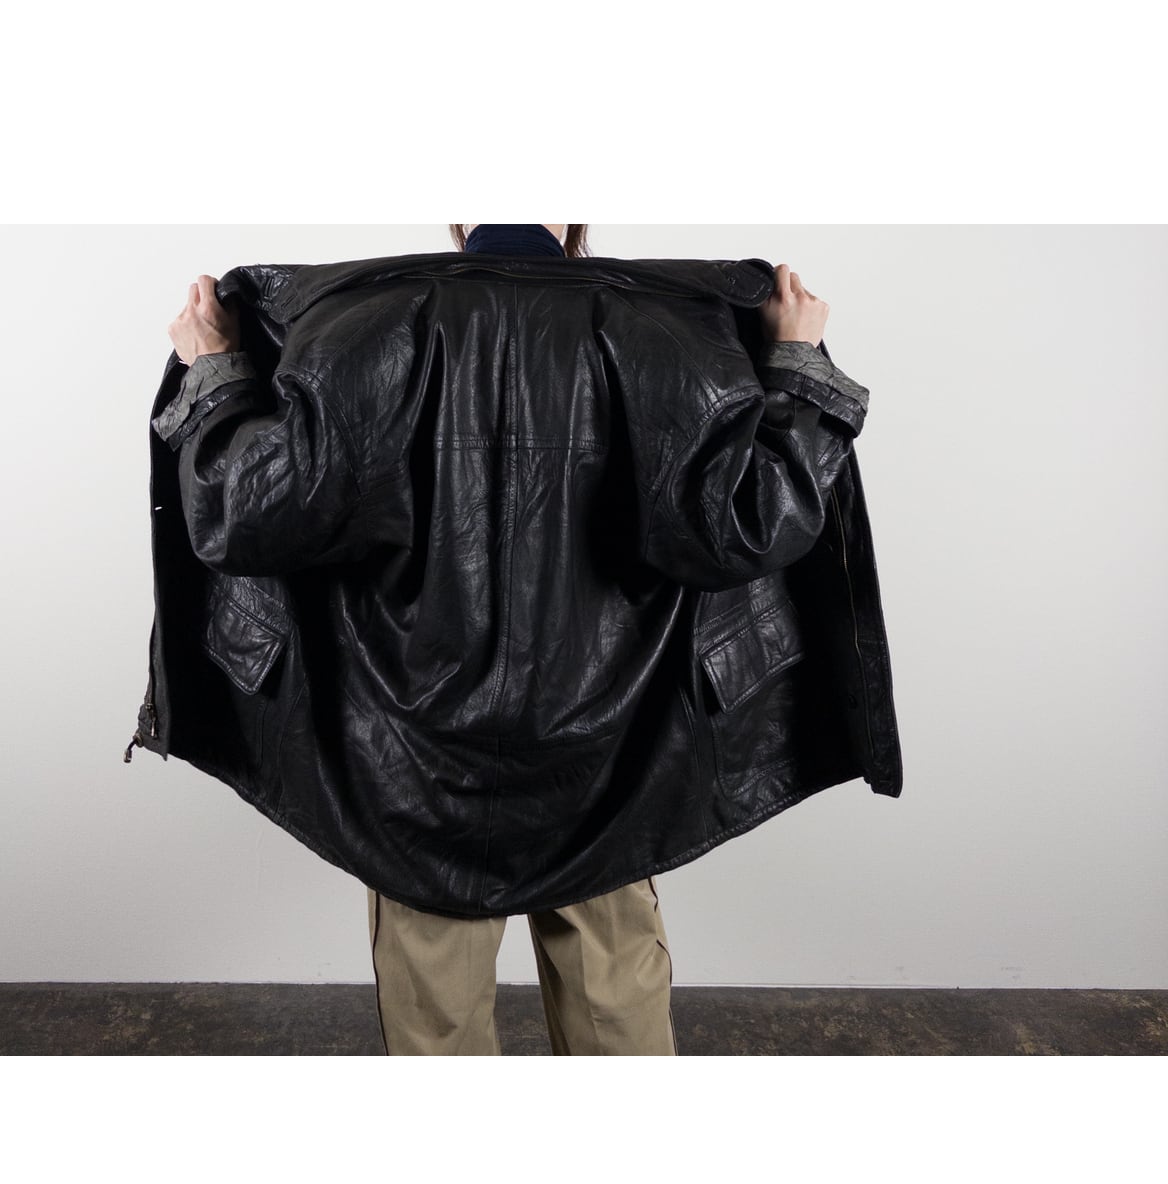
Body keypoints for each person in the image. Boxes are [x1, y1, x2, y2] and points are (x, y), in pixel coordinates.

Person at [165, 224, 843, 1056]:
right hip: (608, 763)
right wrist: (794, 364)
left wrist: (215, 369)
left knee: (436, 1033)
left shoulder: (357, 326)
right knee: (618, 1023)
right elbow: (751, 522)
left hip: (418, 772)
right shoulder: (666, 331)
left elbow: (247, 513)